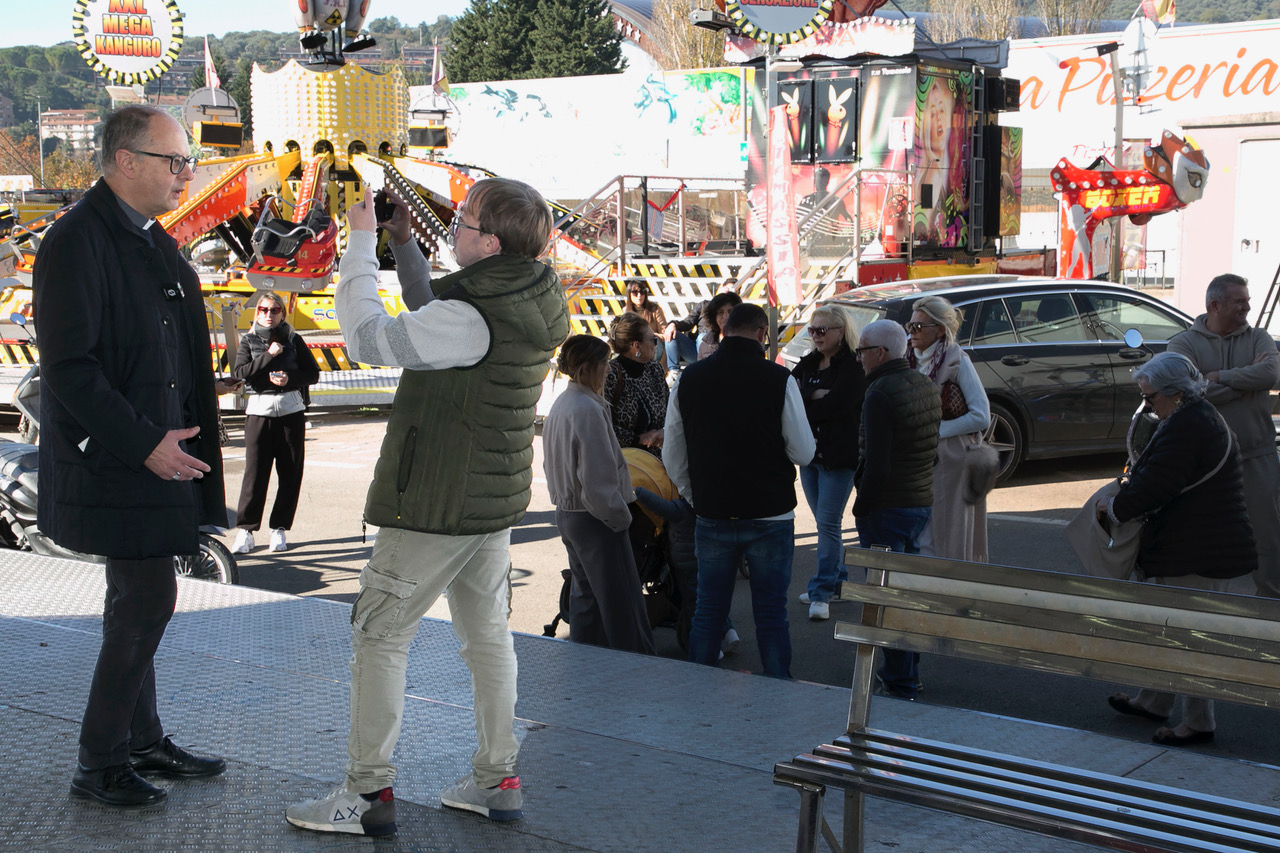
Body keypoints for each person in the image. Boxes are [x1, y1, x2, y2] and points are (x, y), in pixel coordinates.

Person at [285, 178, 570, 836]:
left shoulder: (470, 316)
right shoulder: (526, 291)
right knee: (488, 637)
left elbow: (365, 338)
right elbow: (430, 307)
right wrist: (403, 244)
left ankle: (365, 793)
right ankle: (498, 778)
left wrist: (358, 243)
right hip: (489, 499)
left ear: (491, 243)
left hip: (436, 499)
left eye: (463, 223)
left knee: (379, 634)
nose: (454, 230)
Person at [34, 104, 228, 808]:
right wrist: (146, 442)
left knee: (138, 598)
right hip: (122, 461)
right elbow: (70, 368)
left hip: (157, 457)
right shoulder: (76, 241)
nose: (188, 173)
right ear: (126, 162)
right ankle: (101, 759)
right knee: (148, 597)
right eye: (175, 160)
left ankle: (141, 739)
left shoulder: (150, 239)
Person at [1098, 352, 1256, 746]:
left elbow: (1158, 484)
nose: (1147, 406)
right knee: (1170, 629)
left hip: (1198, 548)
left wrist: (1114, 509)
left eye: (1150, 398)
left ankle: (1199, 722)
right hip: (1200, 544)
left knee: (1190, 635)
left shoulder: (1189, 425)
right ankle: (1154, 700)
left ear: (1173, 393)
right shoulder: (1196, 416)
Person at [664, 303, 816, 678]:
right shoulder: (779, 379)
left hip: (713, 511)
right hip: (770, 513)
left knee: (709, 609)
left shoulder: (690, 379)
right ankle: (777, 690)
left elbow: (673, 454)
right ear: (763, 334)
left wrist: (694, 494)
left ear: (725, 330)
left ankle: (699, 691)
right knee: (770, 612)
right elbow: (804, 451)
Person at [1168, 273, 1280, 598]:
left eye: (1247, 300)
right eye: (1239, 301)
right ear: (1215, 305)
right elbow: (1184, 391)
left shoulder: (1259, 337)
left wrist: (1219, 377)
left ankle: (1271, 603)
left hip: (1257, 454)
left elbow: (1271, 374)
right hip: (1205, 461)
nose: (1248, 306)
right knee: (1204, 534)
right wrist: (1244, 385)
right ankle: (1207, 606)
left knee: (1267, 535)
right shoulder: (1184, 343)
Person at [543, 335, 656, 654]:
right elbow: (596, 478)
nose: (608, 370)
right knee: (621, 607)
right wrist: (620, 516)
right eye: (605, 364)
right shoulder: (587, 409)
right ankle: (636, 674)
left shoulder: (563, 404)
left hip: (570, 515)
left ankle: (584, 672)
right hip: (596, 517)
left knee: (586, 602)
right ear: (589, 368)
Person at [851, 319, 940, 700]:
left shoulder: (880, 392)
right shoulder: (924, 384)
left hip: (887, 508)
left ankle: (899, 681)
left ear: (880, 353)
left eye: (862, 351)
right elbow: (929, 451)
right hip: (918, 501)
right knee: (905, 592)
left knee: (886, 599)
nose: (860, 359)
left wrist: (861, 508)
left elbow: (877, 463)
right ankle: (909, 673)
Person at [230, 291, 321, 554]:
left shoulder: (293, 339)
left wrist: (289, 379)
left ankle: (279, 529)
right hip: (260, 411)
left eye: (274, 310)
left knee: (290, 472)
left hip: (291, 411)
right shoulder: (249, 340)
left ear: (282, 313)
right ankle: (246, 531)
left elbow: (313, 373)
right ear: (256, 312)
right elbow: (240, 373)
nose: (268, 315)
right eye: (263, 310)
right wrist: (268, 356)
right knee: (255, 473)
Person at [791, 303, 866, 621]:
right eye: (811, 330)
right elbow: (790, 399)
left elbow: (836, 406)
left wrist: (815, 400)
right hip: (810, 456)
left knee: (828, 524)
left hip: (839, 457)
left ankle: (821, 592)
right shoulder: (808, 364)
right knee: (826, 524)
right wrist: (814, 396)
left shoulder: (853, 366)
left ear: (840, 331)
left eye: (822, 330)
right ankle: (835, 584)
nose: (815, 336)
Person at [906, 296, 992, 563]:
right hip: (919, 458)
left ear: (940, 329)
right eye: (910, 326)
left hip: (953, 458)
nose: (912, 333)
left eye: (919, 327)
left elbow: (982, 416)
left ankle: (949, 588)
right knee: (922, 529)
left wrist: (938, 431)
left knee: (949, 528)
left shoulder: (958, 360)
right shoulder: (908, 358)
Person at [603, 312, 667, 457]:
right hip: (623, 462)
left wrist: (663, 432)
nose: (656, 344)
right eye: (653, 340)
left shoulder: (655, 369)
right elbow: (600, 425)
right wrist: (638, 439)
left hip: (654, 464)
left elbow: (669, 411)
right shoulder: (610, 374)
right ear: (637, 346)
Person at [663, 277, 737, 372]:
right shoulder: (704, 305)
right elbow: (688, 322)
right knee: (672, 332)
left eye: (732, 291)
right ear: (721, 288)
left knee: (704, 336)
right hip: (695, 351)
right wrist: (673, 324)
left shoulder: (735, 311)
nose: (724, 315)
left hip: (715, 352)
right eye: (727, 289)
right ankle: (673, 371)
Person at [624, 279, 668, 370]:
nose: (639, 295)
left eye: (642, 292)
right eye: (635, 292)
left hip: (655, 344)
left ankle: (651, 370)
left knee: (651, 341)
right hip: (636, 346)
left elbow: (665, 334)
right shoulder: (626, 311)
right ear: (629, 294)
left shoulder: (655, 309)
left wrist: (650, 335)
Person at [696, 290, 743, 360]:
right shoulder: (705, 346)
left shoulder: (747, 344)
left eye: (730, 312)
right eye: (720, 313)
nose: (726, 317)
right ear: (714, 317)